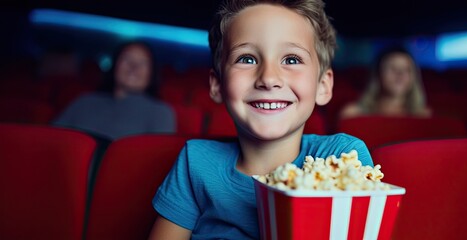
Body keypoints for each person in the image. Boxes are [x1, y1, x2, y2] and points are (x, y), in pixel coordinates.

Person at [148, 0, 373, 239]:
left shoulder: (343, 159)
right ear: (217, 85)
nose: (268, 78)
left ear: (323, 86)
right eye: (246, 58)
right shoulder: (195, 162)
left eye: (291, 59)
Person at [52, 41, 176, 140]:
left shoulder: (161, 113)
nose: (133, 67)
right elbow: (51, 138)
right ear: (115, 65)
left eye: (143, 63)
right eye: (127, 59)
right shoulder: (83, 102)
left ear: (152, 73)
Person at [340, 47, 431, 119]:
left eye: (407, 69)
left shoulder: (424, 116)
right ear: (378, 74)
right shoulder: (353, 114)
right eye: (392, 68)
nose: (400, 74)